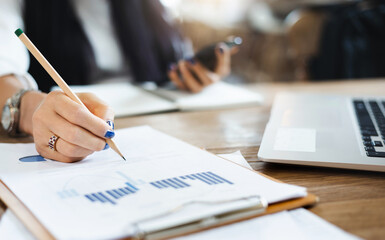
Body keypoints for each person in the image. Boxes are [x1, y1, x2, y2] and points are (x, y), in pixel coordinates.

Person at [0, 0, 235, 163]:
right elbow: (4, 71)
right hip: (75, 124)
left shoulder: (151, 7)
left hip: (158, 124)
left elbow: (171, 61)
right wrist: (30, 108)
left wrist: (193, 75)